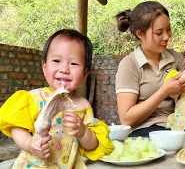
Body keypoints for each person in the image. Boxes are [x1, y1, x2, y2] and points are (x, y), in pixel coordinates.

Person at [0, 29, 114, 168]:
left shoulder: (83, 106)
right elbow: (17, 128)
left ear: (85, 73)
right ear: (44, 66)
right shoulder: (34, 98)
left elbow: (92, 145)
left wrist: (83, 132)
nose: (64, 69)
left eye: (73, 64)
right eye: (56, 61)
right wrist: (30, 144)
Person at [115, 1, 185, 137]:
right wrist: (165, 91)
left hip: (179, 127)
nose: (166, 36)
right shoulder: (129, 65)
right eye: (159, 32)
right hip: (145, 132)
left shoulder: (176, 58)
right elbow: (126, 119)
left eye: (168, 29)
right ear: (140, 34)